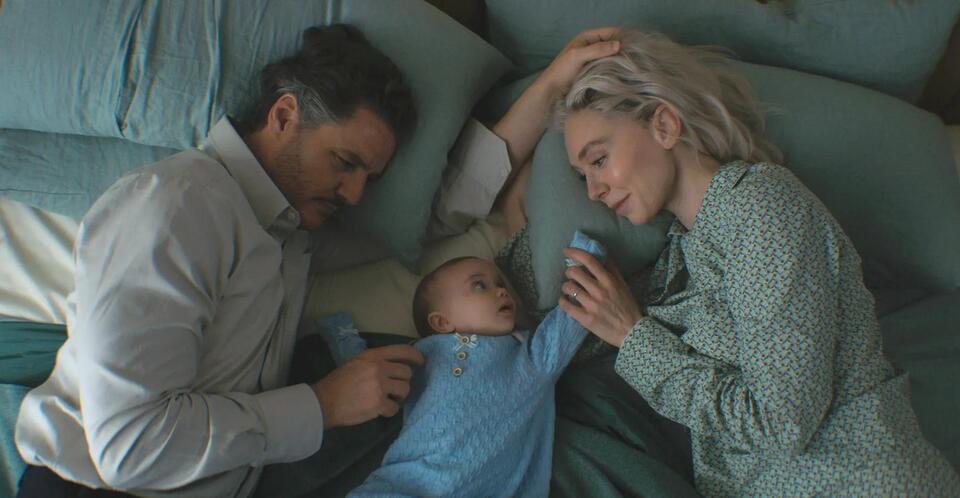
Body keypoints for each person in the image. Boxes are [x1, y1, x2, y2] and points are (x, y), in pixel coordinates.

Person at [14, 25, 422, 498]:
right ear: (285, 115)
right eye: (345, 162)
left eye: (370, 179)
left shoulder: (290, 232)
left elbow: (420, 228)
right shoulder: (178, 205)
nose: (354, 194)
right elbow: (132, 445)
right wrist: (323, 406)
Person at [549, 29, 960, 495]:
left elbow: (782, 424)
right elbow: (557, 326)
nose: (593, 191)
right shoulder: (682, 253)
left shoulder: (763, 209)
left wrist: (633, 337)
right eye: (581, 176)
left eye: (599, 160)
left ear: (664, 125)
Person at [350, 250, 593, 497]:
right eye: (479, 285)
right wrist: (342, 333)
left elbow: (568, 323)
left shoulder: (529, 359)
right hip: (406, 481)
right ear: (442, 322)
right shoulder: (420, 355)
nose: (502, 291)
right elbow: (368, 377)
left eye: (500, 284)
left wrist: (583, 266)